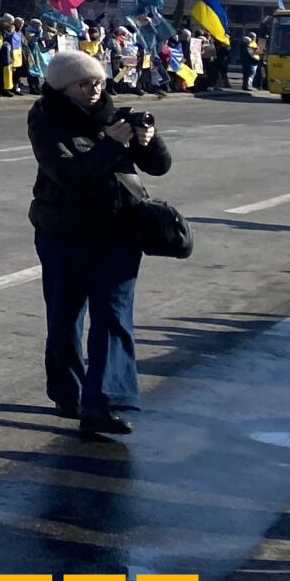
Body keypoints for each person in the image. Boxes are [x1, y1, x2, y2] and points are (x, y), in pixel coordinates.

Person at [29, 48, 171, 438]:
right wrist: (110, 144)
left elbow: (159, 166)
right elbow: (67, 174)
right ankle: (68, 392)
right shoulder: (46, 119)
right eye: (84, 83)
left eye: (99, 82)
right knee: (65, 314)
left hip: (119, 230)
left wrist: (147, 140)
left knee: (113, 315)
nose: (94, 90)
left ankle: (104, 402)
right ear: (62, 87)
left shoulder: (115, 114)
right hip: (64, 231)